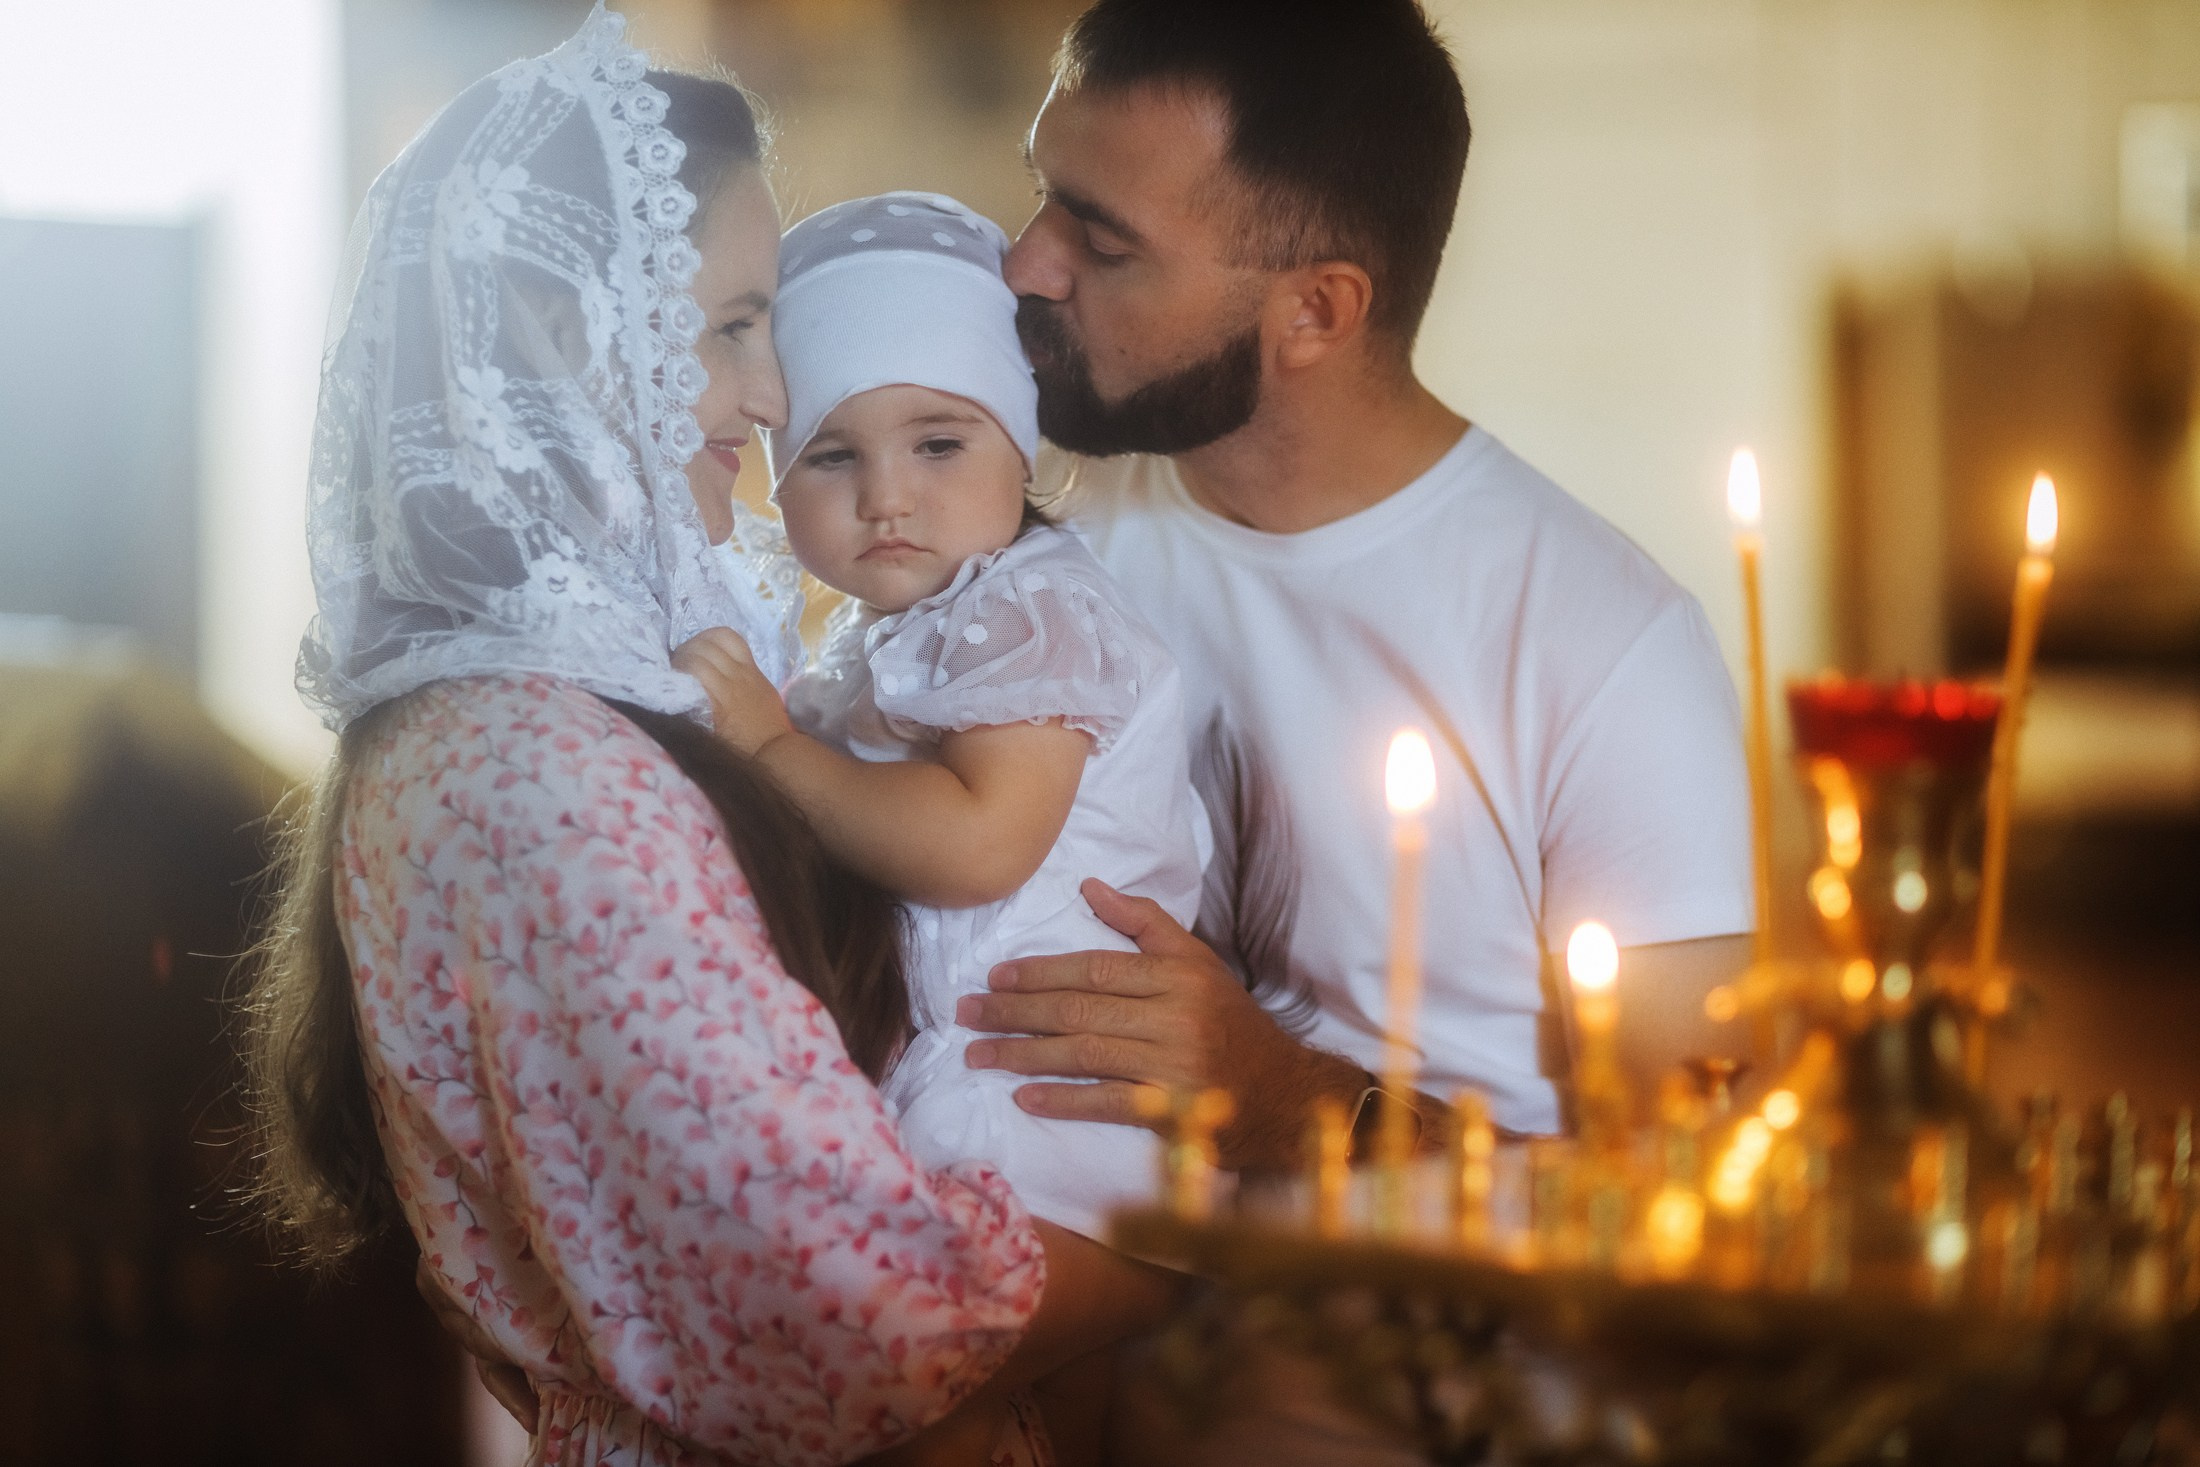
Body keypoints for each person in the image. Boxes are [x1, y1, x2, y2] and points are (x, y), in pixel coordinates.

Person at [240, 12, 1176, 1466]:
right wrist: (1206, 1242)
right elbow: (855, 1322)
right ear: (578, 332)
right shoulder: (546, 772)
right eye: (731, 325)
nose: (767, 391)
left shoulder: (533, 707)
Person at [960, 0, 1757, 1175]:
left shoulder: (1604, 644)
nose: (1024, 262)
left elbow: (1689, 1178)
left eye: (1104, 241)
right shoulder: (1026, 527)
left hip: (1416, 1335)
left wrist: (1281, 1099)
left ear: (1316, 311)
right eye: (1041, 191)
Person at [671, 191, 1208, 1242]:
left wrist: (773, 750)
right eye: (833, 457)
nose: (886, 497)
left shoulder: (1031, 612)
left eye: (937, 445)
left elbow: (977, 845)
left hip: (1044, 1111)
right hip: (957, 1084)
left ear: (1022, 447)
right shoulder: (895, 633)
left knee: (937, 1390)